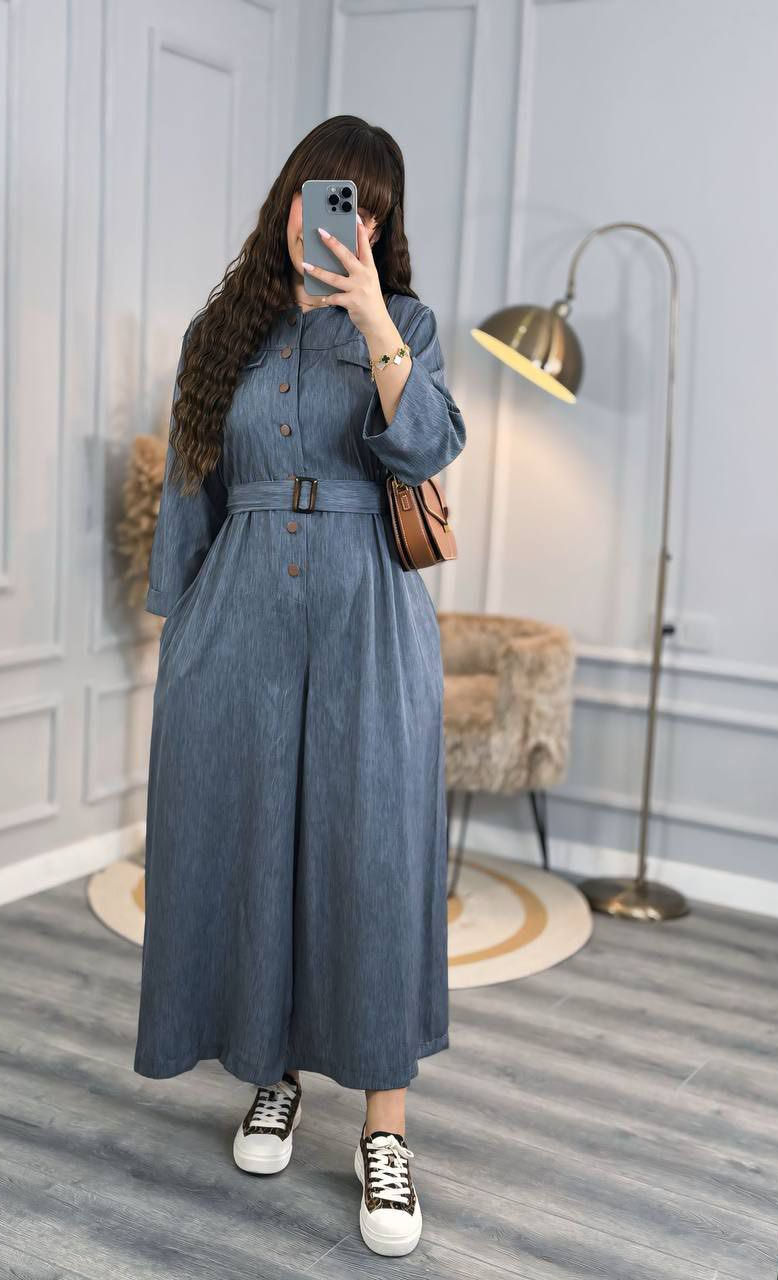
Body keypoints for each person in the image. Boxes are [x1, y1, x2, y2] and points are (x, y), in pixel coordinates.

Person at [133, 115, 467, 1258]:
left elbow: (427, 447)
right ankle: (269, 1073)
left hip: (368, 617)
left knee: (372, 861)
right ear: (288, 199)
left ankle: (385, 1125)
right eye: (328, 196)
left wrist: (373, 317)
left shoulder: (408, 323)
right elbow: (190, 492)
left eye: (366, 206)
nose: (343, 220)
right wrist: (176, 639)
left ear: (383, 226)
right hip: (235, 622)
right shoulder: (219, 332)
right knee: (249, 849)